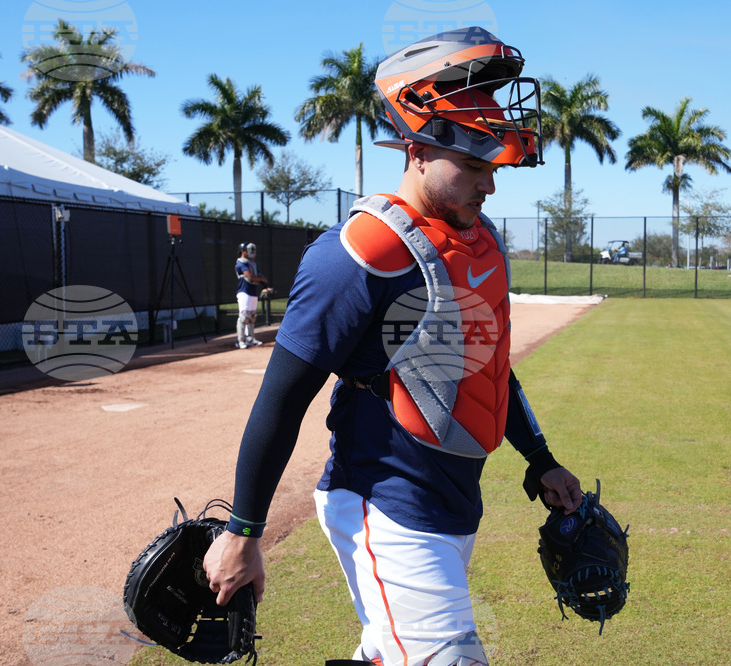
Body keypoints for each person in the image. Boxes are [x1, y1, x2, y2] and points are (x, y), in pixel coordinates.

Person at [204, 27, 582, 666]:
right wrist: (243, 532)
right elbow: (282, 399)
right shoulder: (358, 254)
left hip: (454, 501)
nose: (488, 186)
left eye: (492, 168)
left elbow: (488, 367)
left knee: (386, 653)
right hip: (386, 505)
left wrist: (540, 458)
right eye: (473, 167)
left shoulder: (478, 242)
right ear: (418, 150)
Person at [234, 242, 267, 348]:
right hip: (244, 292)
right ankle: (240, 341)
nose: (251, 252)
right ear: (242, 251)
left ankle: (250, 339)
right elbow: (250, 277)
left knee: (252, 316)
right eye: (248, 250)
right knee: (244, 316)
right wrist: (262, 279)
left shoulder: (252, 263)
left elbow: (258, 275)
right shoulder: (241, 263)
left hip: (252, 291)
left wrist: (266, 285)